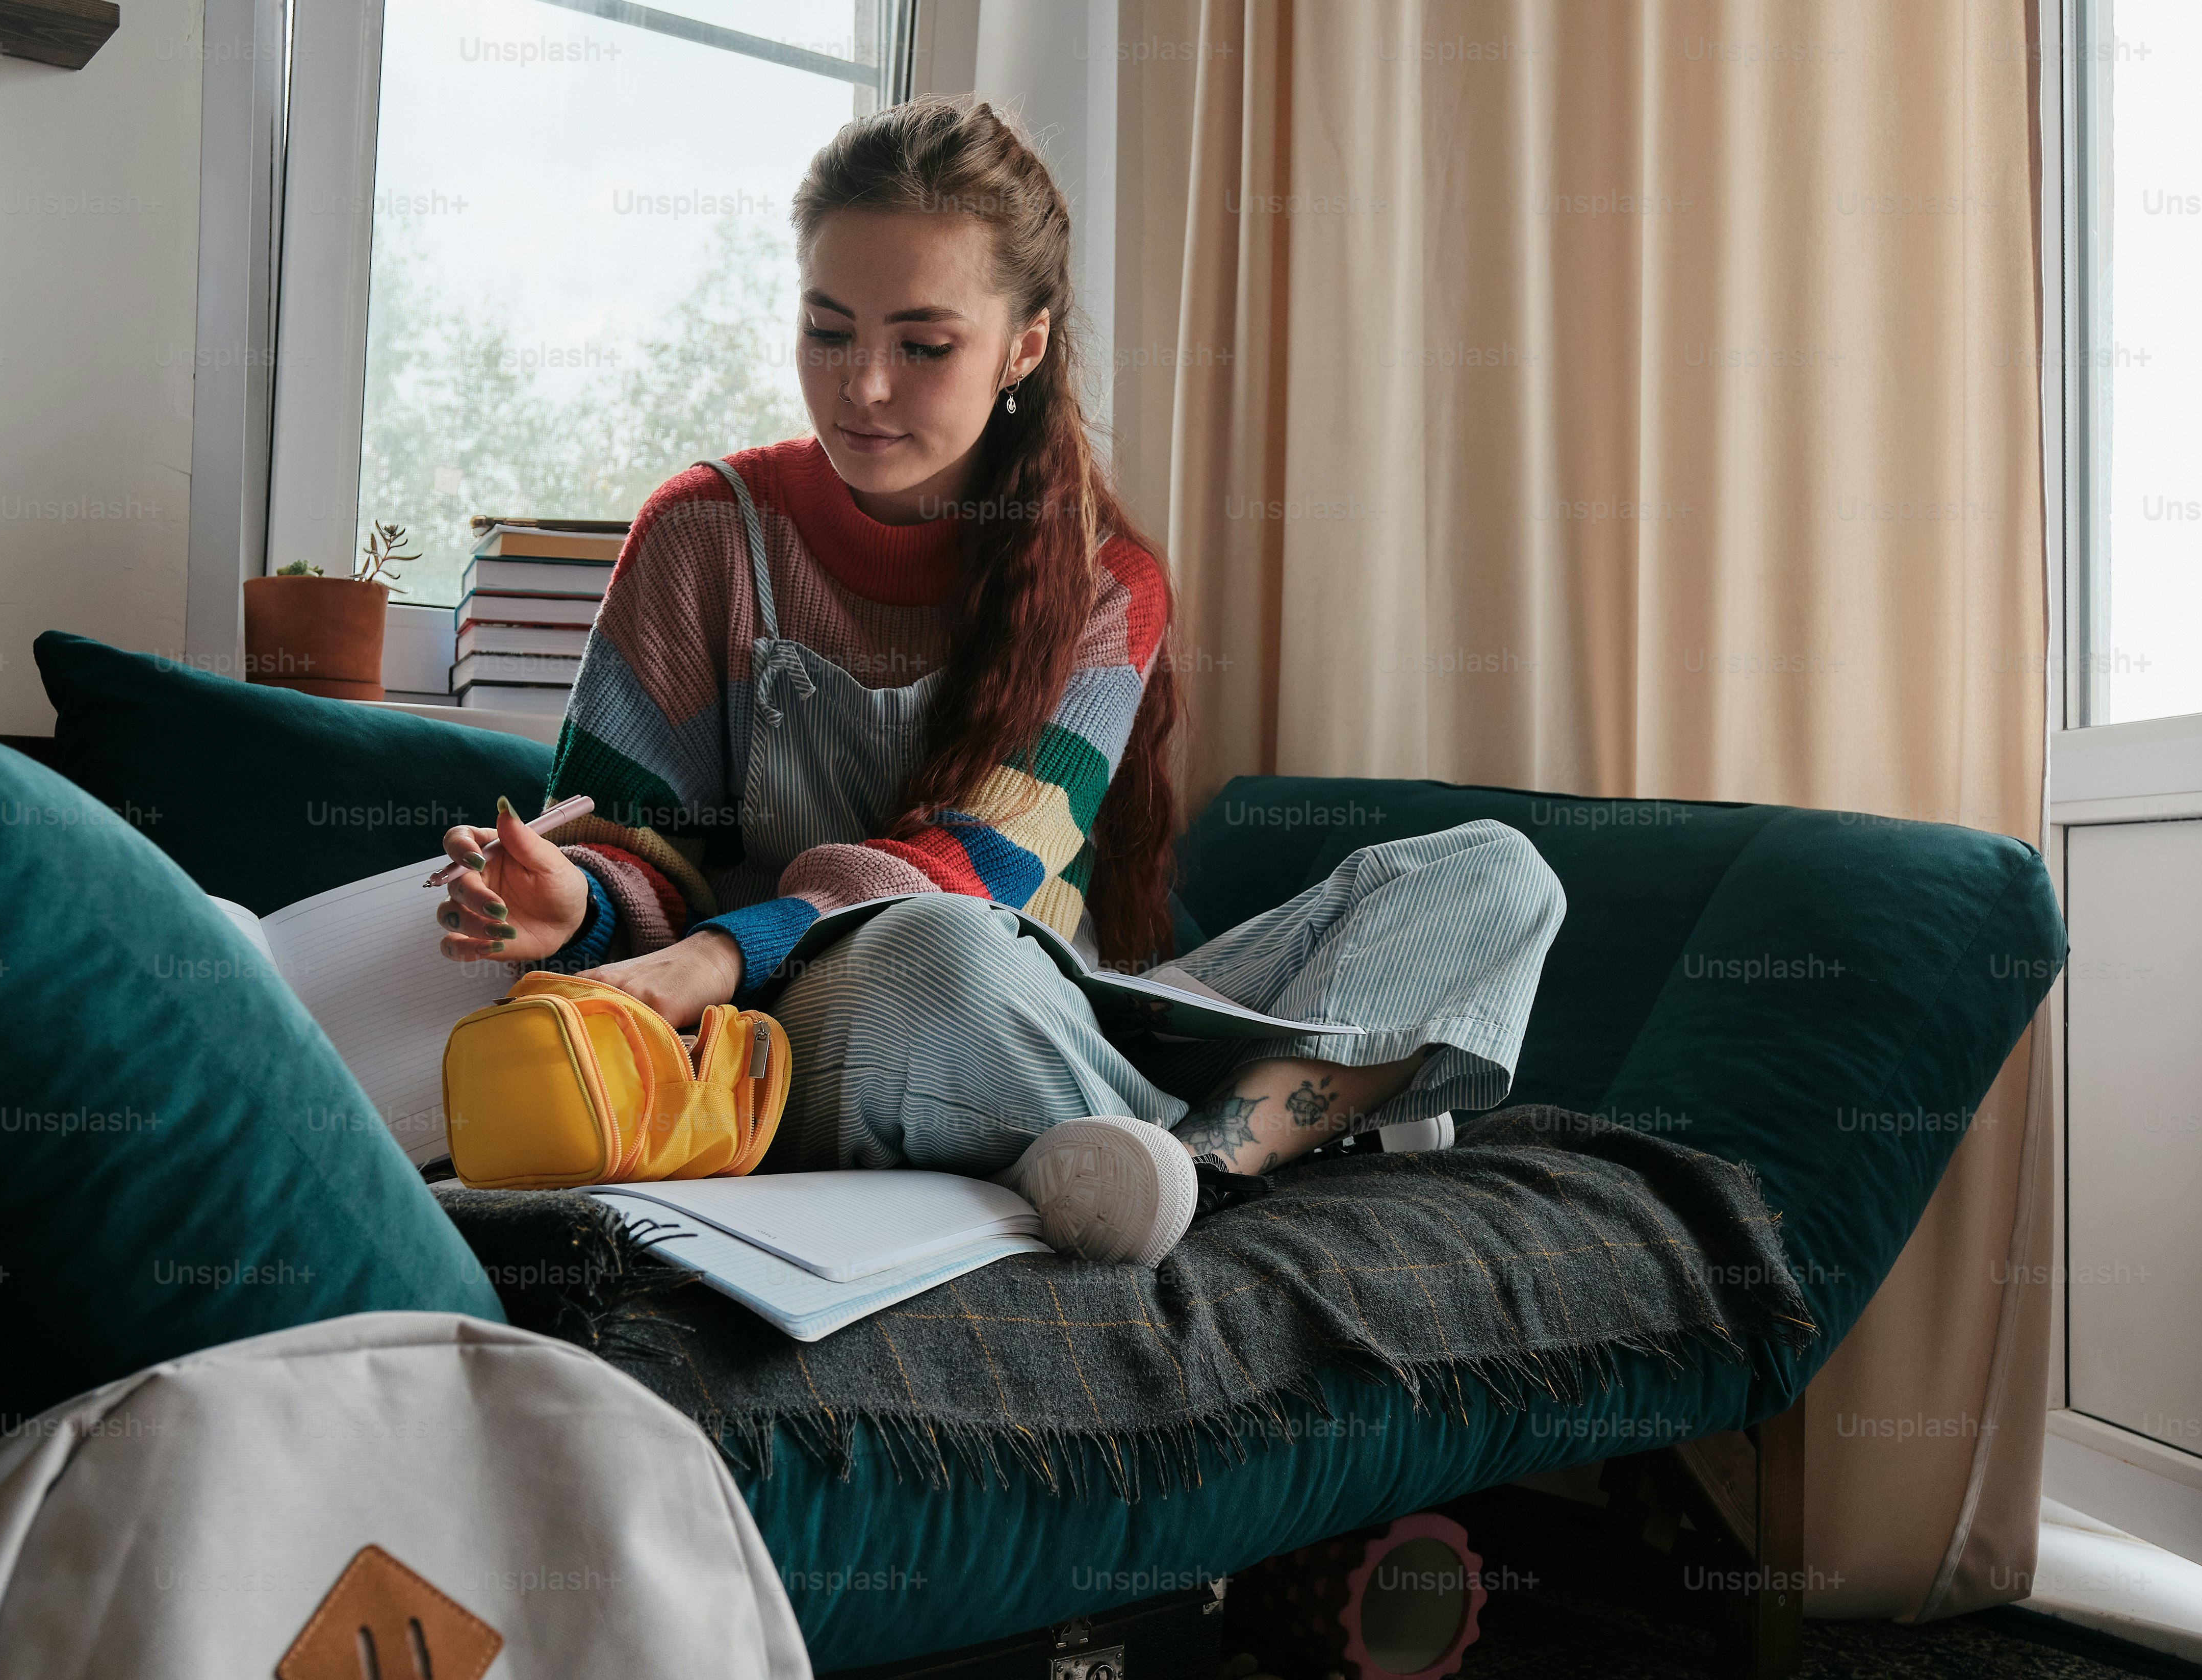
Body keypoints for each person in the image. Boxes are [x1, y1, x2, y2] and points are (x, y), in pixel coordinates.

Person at [435, 96, 1564, 1265]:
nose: (863, 386)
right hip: (821, 1029)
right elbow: (637, 845)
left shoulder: (1106, 586)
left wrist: (726, 942)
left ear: (1023, 346)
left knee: (1497, 874)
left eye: (923, 346)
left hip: (1056, 1006)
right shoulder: (700, 534)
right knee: (937, 953)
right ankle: (1265, 1130)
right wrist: (579, 901)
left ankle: (1192, 1167)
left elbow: (982, 860)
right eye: (829, 332)